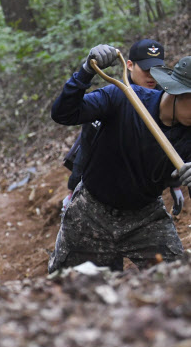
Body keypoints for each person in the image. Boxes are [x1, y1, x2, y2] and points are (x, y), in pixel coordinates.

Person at [49, 45, 191, 272]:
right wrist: (86, 71)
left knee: (179, 280)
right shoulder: (122, 97)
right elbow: (63, 113)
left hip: (146, 218)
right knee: (68, 289)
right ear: (176, 92)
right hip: (91, 212)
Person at [60, 39, 184, 217]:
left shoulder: (167, 101)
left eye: (157, 70)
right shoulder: (113, 99)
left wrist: (175, 183)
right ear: (130, 66)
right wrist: (73, 190)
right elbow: (86, 146)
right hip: (103, 190)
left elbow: (173, 143)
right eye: (146, 70)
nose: (152, 76)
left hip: (143, 197)